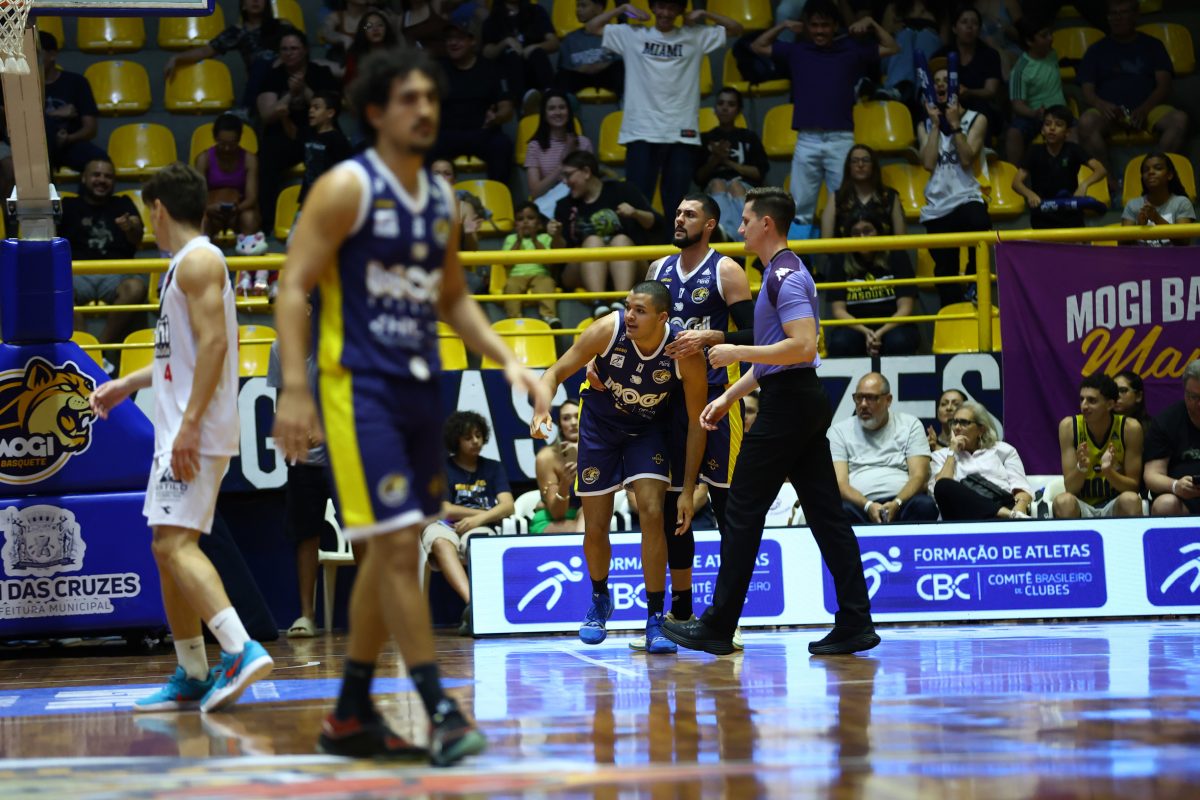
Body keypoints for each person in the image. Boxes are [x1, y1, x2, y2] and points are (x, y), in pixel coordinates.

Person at [272, 48, 549, 764]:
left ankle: (349, 715)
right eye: (408, 98)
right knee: (398, 545)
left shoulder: (440, 201)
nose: (425, 109)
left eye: (431, 97)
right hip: (356, 388)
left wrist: (511, 359)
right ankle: (440, 709)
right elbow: (292, 285)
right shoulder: (345, 187)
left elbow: (453, 298)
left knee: (388, 551)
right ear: (374, 111)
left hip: (420, 393)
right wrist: (295, 389)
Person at [661, 186, 880, 657]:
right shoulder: (776, 275)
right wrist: (729, 397)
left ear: (766, 224)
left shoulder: (786, 276)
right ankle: (856, 622)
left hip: (789, 406)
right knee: (826, 514)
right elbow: (773, 360)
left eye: (745, 220)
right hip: (795, 399)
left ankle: (719, 625)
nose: (739, 228)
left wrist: (734, 349)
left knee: (741, 508)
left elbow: (803, 347)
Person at [89, 163, 274, 714]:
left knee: (174, 546)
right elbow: (184, 357)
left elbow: (215, 346)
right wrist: (128, 383)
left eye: (149, 211)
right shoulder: (184, 266)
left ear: (158, 209)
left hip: (195, 429)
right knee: (163, 546)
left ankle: (239, 649)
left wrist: (190, 424)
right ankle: (192, 670)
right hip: (183, 426)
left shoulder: (198, 261)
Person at [529, 281, 709, 653]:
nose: (630, 315)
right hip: (599, 428)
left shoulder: (682, 352)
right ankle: (599, 599)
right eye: (628, 307)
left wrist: (689, 488)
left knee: (652, 512)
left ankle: (655, 619)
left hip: (647, 431)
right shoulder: (607, 330)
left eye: (640, 311)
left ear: (662, 317)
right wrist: (541, 409)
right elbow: (553, 373)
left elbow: (696, 423)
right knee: (595, 525)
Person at [642, 192, 754, 643]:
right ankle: (681, 612)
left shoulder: (727, 270)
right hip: (670, 401)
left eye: (689, 214)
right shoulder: (657, 270)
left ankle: (727, 618)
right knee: (674, 509)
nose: (679, 218)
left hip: (718, 398)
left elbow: (756, 333)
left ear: (709, 224)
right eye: (677, 212)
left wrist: (711, 336)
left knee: (728, 510)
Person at [590, 0, 743, 235]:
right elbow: (592, 27)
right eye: (661, 6)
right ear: (652, 8)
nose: (665, 12)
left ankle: (675, 254)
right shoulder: (632, 35)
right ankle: (639, 251)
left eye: (672, 7)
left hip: (681, 132)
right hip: (641, 130)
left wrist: (704, 13)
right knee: (637, 203)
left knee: (678, 206)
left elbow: (736, 29)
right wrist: (622, 9)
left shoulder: (694, 35)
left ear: (680, 11)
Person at [752, 0, 898, 238]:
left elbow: (892, 47)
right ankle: (801, 259)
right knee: (799, 210)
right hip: (807, 139)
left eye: (825, 25)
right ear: (806, 26)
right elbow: (758, 46)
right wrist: (784, 25)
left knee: (846, 204)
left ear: (835, 26)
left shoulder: (850, 51)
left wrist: (871, 22)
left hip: (841, 139)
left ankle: (843, 259)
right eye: (814, 25)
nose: (820, 31)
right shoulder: (797, 51)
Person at [1077, 0, 1189, 198]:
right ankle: (1109, 182)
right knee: (1086, 122)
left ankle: (1151, 178)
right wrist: (1101, 105)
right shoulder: (1096, 50)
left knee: (1179, 120)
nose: (1117, 18)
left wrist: (1145, 108)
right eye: (1113, 14)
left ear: (1136, 15)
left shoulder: (1152, 45)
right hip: (1110, 111)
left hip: (1148, 108)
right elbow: (1087, 91)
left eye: (1123, 13)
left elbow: (1164, 85)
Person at [266, 322, 333, 639]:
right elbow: (282, 401)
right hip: (304, 462)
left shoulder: (336, 341)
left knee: (361, 533)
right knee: (306, 535)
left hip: (345, 456)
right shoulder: (279, 349)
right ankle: (307, 615)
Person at [422, 412, 515, 635]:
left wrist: (478, 520)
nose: (475, 441)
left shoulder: (493, 468)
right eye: (468, 437)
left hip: (480, 526)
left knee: (480, 542)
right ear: (456, 440)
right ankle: (474, 605)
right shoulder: (443, 468)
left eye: (478, 435)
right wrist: (486, 512)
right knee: (440, 541)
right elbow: (445, 509)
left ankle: (476, 611)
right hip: (444, 524)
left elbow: (508, 506)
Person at [550, 150, 662, 317]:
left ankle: (622, 301)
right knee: (592, 241)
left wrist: (635, 213)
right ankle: (598, 304)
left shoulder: (623, 190)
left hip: (630, 268)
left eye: (568, 175)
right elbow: (559, 254)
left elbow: (657, 224)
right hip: (582, 272)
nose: (565, 182)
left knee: (621, 240)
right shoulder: (564, 205)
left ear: (586, 172)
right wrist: (556, 235)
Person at [918, 55, 990, 309]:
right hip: (938, 203)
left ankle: (974, 283)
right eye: (935, 81)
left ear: (956, 87)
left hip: (967, 195)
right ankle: (951, 312)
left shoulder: (977, 118)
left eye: (945, 80)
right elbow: (928, 163)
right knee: (944, 271)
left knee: (979, 222)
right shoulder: (925, 124)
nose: (940, 84)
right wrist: (936, 126)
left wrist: (956, 125)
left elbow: (967, 159)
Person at [256, 30, 343, 230]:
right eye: (284, 49)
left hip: (318, 133)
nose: (289, 53)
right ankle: (267, 224)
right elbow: (267, 115)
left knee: (334, 151)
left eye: (294, 48)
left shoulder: (320, 73)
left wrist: (304, 89)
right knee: (266, 156)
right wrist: (289, 95)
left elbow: (332, 109)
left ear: (305, 50)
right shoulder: (272, 76)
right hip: (282, 136)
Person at [828, 372, 939, 524]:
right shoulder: (839, 431)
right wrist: (868, 506)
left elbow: (919, 476)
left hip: (903, 502)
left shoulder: (910, 425)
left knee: (924, 505)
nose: (863, 404)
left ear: (888, 400)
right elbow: (839, 483)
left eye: (871, 398)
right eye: (859, 398)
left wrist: (897, 503)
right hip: (859, 505)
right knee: (838, 510)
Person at [59, 157, 147, 347]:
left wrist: (130, 227)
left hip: (117, 274)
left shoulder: (123, 203)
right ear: (84, 178)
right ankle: (85, 349)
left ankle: (100, 347)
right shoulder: (68, 205)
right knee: (56, 289)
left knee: (136, 287)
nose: (102, 180)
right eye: (96, 175)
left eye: (108, 176)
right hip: (76, 273)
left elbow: (137, 239)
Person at [824, 209, 920, 357]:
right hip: (855, 327)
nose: (862, 237)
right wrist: (866, 331)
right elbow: (838, 311)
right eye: (856, 233)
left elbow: (905, 308)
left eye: (868, 231)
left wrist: (880, 332)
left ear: (878, 232)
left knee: (899, 341)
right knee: (840, 343)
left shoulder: (897, 256)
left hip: (894, 326)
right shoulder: (840, 261)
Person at [166, 0, 291, 109]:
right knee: (261, 63)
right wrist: (177, 57)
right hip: (261, 85)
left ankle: (247, 109)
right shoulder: (237, 31)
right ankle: (248, 110)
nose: (255, 0)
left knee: (267, 60)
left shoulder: (282, 26)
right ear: (243, 4)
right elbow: (206, 50)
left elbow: (299, 47)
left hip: (286, 77)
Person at [432, 21, 515, 184]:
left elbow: (506, 107)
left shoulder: (490, 69)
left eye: (459, 38)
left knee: (502, 145)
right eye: (449, 38)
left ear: (472, 41)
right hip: (448, 134)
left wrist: (496, 118)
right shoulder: (437, 69)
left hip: (482, 132)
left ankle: (498, 194)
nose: (453, 43)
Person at [1053, 373, 1144, 519]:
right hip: (1082, 506)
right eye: (1081, 399)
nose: (1084, 406)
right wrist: (1081, 468)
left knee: (1131, 500)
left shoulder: (1130, 428)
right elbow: (1070, 488)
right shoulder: (1069, 427)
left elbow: (1133, 488)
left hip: (1114, 505)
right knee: (1063, 501)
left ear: (1110, 404)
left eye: (1092, 401)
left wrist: (1108, 471)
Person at [930, 401, 1034, 520]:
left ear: (981, 429)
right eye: (954, 422)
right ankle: (1002, 513)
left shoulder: (1003, 450)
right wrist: (952, 452)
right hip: (963, 516)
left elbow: (1022, 489)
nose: (957, 427)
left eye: (964, 423)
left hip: (1003, 509)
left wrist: (1018, 513)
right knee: (942, 485)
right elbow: (938, 492)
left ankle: (1003, 513)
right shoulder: (941, 456)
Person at [1011, 105, 1108, 230]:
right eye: (1047, 124)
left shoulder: (1073, 150)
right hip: (1042, 216)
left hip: (1071, 216)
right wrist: (1030, 194)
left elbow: (1101, 170)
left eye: (1058, 124)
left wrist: (1084, 185)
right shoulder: (1034, 151)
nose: (1052, 128)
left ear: (1067, 132)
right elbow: (1016, 183)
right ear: (1042, 130)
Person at [694, 87, 770, 243]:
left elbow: (759, 172)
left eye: (731, 104)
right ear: (715, 108)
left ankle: (743, 235)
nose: (725, 108)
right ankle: (727, 236)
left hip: (744, 185)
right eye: (721, 103)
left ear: (739, 110)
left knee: (736, 186)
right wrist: (715, 159)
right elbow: (698, 177)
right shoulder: (706, 138)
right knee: (718, 184)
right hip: (713, 187)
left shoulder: (749, 137)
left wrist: (727, 161)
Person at [194, 113, 268, 262]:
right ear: (215, 138)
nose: (227, 148)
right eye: (222, 144)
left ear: (239, 139)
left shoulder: (249, 159)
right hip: (212, 211)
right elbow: (197, 197)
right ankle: (203, 262)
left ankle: (248, 267)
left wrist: (236, 208)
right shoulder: (204, 159)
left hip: (238, 210)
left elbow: (252, 198)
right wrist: (209, 208)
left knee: (249, 218)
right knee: (201, 221)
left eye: (232, 144)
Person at [40, 31, 107, 173]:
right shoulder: (22, 86)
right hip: (36, 147)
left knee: (100, 162)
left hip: (70, 144)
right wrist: (55, 114)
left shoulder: (76, 82)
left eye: (37, 53)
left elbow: (91, 128)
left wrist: (69, 138)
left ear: (52, 55)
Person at [1005, 16, 1066, 167]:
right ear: (1029, 41)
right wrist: (1035, 113)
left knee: (1076, 133)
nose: (1051, 38)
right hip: (1034, 117)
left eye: (1050, 33)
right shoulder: (1020, 70)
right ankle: (1016, 177)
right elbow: (1017, 105)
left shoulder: (1052, 54)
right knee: (1014, 133)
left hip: (1060, 113)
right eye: (1044, 36)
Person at [1142, 359, 1200, 516]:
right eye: (1193, 397)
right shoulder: (1167, 421)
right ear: (1184, 393)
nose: (1199, 404)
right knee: (1165, 504)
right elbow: (1152, 475)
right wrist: (1176, 486)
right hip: (1184, 501)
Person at [481, 0, 559, 115]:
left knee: (537, 53)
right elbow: (487, 53)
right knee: (512, 55)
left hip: (535, 67)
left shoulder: (536, 11)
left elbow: (554, 43)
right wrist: (505, 42)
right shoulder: (493, 18)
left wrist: (534, 47)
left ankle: (550, 95)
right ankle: (523, 101)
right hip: (511, 73)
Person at [935, 4, 1003, 137]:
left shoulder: (990, 55)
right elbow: (935, 85)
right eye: (964, 22)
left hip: (978, 103)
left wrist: (969, 92)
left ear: (979, 29)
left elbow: (990, 91)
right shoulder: (942, 54)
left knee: (983, 111)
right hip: (948, 103)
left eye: (974, 23)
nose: (969, 27)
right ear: (954, 28)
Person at [524, 90, 594, 219]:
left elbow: (590, 181)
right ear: (544, 114)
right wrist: (563, 163)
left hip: (579, 202)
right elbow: (535, 191)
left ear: (569, 112)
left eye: (562, 107)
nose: (557, 112)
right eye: (552, 108)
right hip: (548, 204)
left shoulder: (584, 143)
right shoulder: (535, 146)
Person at [820, 143, 905, 243]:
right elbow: (826, 241)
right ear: (849, 167)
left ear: (873, 165)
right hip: (846, 252)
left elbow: (901, 240)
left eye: (865, 160)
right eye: (855, 161)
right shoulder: (837, 198)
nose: (860, 165)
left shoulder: (890, 196)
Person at [501, 202, 560, 326]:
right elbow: (506, 263)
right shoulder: (511, 239)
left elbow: (548, 261)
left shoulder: (545, 238)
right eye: (520, 219)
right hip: (516, 276)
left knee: (547, 284)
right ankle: (513, 318)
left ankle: (549, 317)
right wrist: (518, 241)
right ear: (515, 225)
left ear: (539, 224)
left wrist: (534, 240)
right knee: (511, 286)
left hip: (540, 275)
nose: (525, 222)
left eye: (531, 218)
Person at [1120, 153, 1196, 247]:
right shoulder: (1133, 205)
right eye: (1146, 170)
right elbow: (1122, 246)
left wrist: (1157, 219)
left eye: (1158, 168)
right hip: (1141, 256)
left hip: (1173, 256)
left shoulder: (1182, 203)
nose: (1151, 172)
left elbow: (1184, 242)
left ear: (1169, 175)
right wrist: (1139, 227)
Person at [532, 399, 584, 533]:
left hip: (586, 516)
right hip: (552, 520)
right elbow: (557, 513)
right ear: (560, 425)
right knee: (591, 526)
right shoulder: (547, 457)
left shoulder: (598, 452)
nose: (573, 422)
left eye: (578, 416)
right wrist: (565, 483)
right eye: (566, 418)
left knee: (589, 513)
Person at [554, 0, 624, 98]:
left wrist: (591, 67)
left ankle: (625, 103)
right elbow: (565, 68)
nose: (578, 10)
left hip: (606, 76)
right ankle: (566, 104)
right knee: (562, 76)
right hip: (580, 78)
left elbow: (620, 61)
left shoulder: (613, 35)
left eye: (583, 6)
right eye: (577, 6)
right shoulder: (570, 39)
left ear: (599, 8)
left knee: (620, 69)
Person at [343, 10, 402, 86]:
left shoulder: (396, 53)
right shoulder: (354, 56)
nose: (375, 29)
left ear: (386, 29)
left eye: (380, 25)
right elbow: (349, 85)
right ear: (363, 31)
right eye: (369, 26)